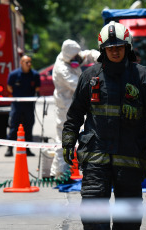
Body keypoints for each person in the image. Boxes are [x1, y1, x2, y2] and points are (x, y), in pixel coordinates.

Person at [62, 21, 146, 229]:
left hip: (130, 157)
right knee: (93, 215)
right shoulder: (90, 77)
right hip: (95, 157)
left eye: (119, 47)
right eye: (110, 48)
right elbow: (75, 114)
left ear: (127, 47)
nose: (115, 52)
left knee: (128, 220)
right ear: (103, 49)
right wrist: (68, 139)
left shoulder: (143, 77)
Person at [50, 39, 100, 177]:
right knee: (64, 137)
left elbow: (88, 54)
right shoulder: (62, 69)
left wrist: (100, 58)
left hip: (74, 103)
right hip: (65, 105)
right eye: (75, 57)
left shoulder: (70, 56)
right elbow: (78, 86)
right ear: (68, 57)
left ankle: (71, 169)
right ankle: (60, 173)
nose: (79, 59)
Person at [5, 55, 40, 157]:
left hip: (29, 106)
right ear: (21, 63)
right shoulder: (14, 74)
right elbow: (9, 87)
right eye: (26, 62)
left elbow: (37, 88)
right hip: (17, 105)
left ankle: (27, 149)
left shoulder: (34, 75)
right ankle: (9, 149)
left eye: (30, 62)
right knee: (13, 127)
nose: (29, 64)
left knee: (28, 127)